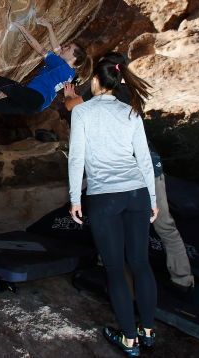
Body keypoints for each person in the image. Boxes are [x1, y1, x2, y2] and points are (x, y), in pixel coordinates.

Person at [65, 52, 194, 292]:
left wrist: (68, 96)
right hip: (149, 166)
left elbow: (72, 108)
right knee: (164, 225)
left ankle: (111, 273)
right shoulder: (132, 94)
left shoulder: (108, 93)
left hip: (124, 171)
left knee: (111, 222)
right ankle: (183, 280)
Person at [68, 57, 158, 356]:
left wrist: (74, 198)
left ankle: (129, 340)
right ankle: (147, 331)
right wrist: (153, 200)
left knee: (115, 269)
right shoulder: (131, 111)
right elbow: (144, 159)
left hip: (106, 196)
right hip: (137, 193)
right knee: (141, 263)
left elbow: (76, 158)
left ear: (96, 80)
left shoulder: (82, 112)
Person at [0, 18, 90, 148]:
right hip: (35, 106)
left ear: (74, 56)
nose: (64, 47)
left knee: (1, 82)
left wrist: (22, 28)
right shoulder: (69, 73)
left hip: (34, 96)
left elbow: (39, 48)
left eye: (68, 48)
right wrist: (48, 28)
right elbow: (58, 49)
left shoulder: (61, 66)